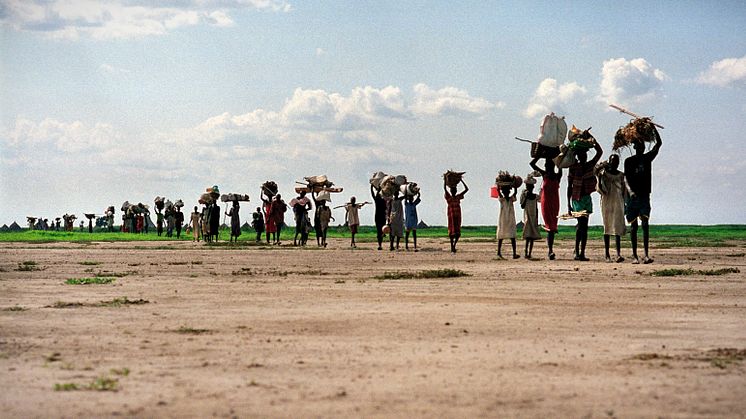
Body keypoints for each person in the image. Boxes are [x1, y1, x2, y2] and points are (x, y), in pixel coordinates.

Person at [624, 124, 662, 264]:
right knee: (633, 227)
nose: (640, 147)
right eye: (638, 145)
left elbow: (659, 144)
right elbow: (626, 179)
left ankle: (646, 255)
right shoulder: (629, 161)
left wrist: (653, 129)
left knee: (645, 224)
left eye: (642, 145)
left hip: (644, 196)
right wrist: (631, 192)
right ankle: (634, 256)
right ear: (634, 147)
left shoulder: (647, 158)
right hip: (632, 198)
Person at [567, 137, 603, 261]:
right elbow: (569, 186)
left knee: (584, 226)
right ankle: (577, 252)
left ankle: (581, 252)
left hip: (586, 199)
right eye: (582, 155)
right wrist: (568, 205)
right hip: (576, 199)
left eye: (585, 155)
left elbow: (599, 152)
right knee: (581, 225)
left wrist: (593, 140)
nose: (584, 157)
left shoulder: (590, 166)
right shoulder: (573, 168)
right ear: (578, 155)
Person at [597, 155, 627, 262]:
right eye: (613, 161)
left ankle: (618, 254)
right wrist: (600, 175)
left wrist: (625, 204)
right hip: (607, 202)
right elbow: (600, 189)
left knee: (617, 227)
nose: (615, 163)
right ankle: (607, 254)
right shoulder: (604, 174)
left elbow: (624, 191)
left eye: (616, 161)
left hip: (618, 202)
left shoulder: (621, 175)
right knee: (607, 227)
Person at [531, 157, 562, 260]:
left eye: (548, 165)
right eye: (546, 165)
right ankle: (550, 251)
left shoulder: (558, 175)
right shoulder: (544, 175)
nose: (546, 167)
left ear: (553, 165)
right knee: (549, 227)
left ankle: (550, 250)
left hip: (555, 203)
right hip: (546, 203)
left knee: (553, 227)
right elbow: (532, 164)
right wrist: (539, 155)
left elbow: (561, 165)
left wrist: (559, 159)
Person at [444, 178, 469, 253]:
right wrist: (445, 180)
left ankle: (454, 246)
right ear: (451, 191)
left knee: (458, 233)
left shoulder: (458, 197)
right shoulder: (448, 197)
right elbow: (444, 188)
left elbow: (466, 189)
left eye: (454, 190)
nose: (453, 191)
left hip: (457, 216)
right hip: (451, 216)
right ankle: (452, 247)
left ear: (456, 191)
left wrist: (461, 181)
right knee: (451, 233)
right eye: (452, 190)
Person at [521, 174, 541, 259]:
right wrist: (525, 196)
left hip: (533, 216)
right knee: (528, 235)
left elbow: (540, 201)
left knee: (532, 236)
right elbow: (522, 206)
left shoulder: (535, 196)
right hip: (527, 216)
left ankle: (529, 253)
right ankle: (526, 252)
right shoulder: (525, 195)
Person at [496, 184, 519, 259]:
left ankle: (514, 253)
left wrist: (515, 187)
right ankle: (499, 252)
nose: (506, 193)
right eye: (505, 191)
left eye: (507, 191)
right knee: (501, 236)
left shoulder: (511, 199)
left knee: (512, 236)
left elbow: (515, 193)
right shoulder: (502, 199)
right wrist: (498, 187)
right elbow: (498, 192)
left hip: (510, 219)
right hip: (503, 219)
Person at [371, 185, 387, 250]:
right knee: (381, 231)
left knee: (379, 231)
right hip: (382, 217)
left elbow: (373, 194)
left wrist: (371, 188)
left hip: (378, 217)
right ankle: (380, 244)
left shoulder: (377, 200)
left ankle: (380, 245)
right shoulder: (383, 201)